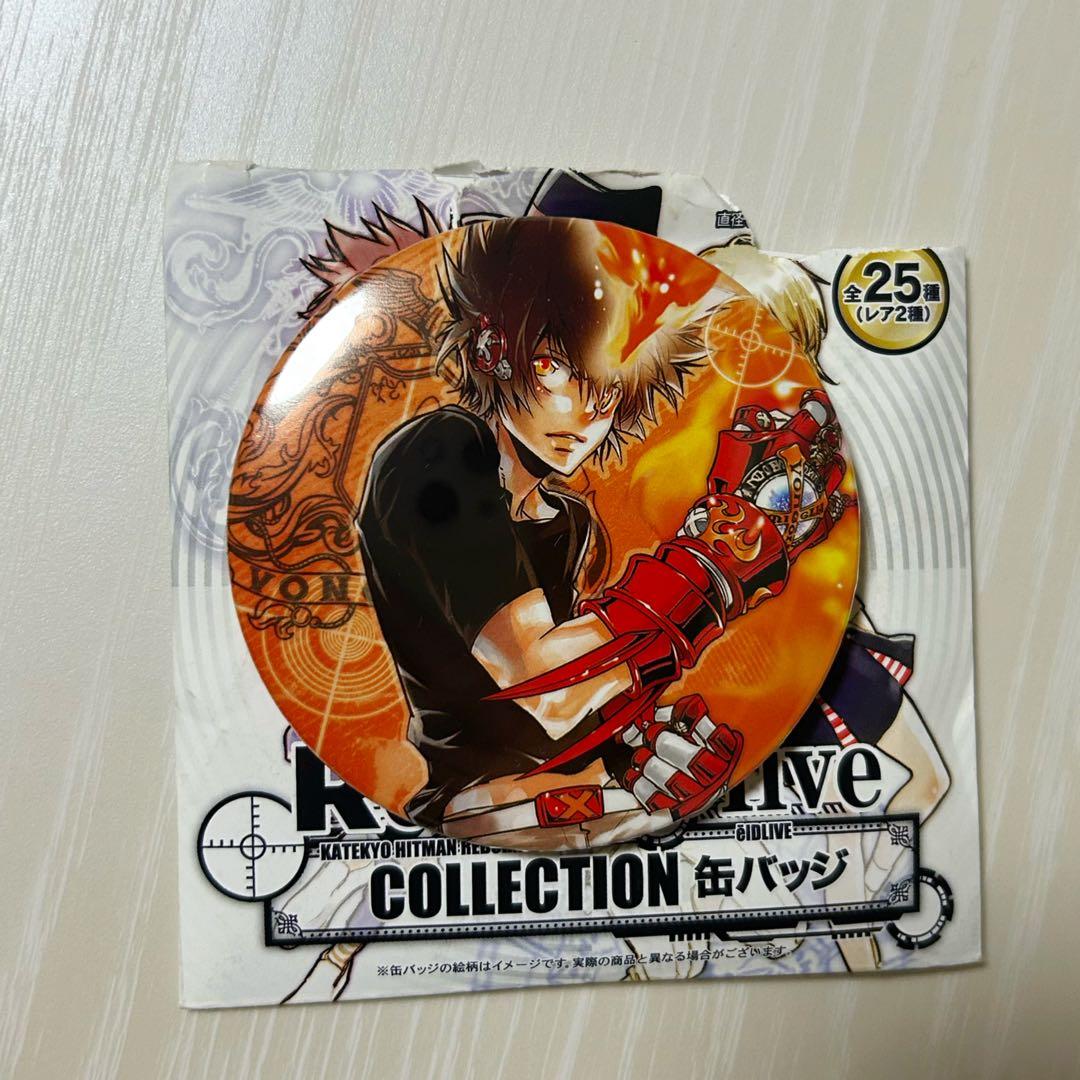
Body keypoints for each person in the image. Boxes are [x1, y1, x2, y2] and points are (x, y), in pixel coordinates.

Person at [357, 217, 846, 849]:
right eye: (555, 367)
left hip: (559, 789)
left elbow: (580, 694)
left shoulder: (566, 523)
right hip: (475, 804)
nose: (586, 412)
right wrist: (712, 563)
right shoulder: (439, 452)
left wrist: (640, 746)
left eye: (610, 387)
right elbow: (545, 686)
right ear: (492, 352)